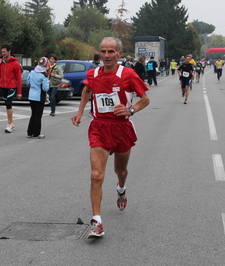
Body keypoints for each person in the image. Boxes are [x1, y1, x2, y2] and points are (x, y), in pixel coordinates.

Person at [71, 37, 150, 238]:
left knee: (120, 170)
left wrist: (130, 109)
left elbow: (145, 99)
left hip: (122, 128)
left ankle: (121, 188)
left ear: (119, 54)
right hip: (99, 127)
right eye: (103, 52)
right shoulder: (94, 73)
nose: (106, 56)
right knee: (96, 175)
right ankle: (96, 222)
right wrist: (80, 111)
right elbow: (87, 89)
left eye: (111, 52)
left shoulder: (128, 74)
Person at [0, 44, 22, 133]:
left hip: (12, 86)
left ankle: (9, 124)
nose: (3, 53)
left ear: (9, 51)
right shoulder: (1, 62)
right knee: (7, 104)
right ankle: (12, 123)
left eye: (4, 52)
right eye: (2, 52)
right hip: (3, 86)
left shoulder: (15, 64)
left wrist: (19, 92)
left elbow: (19, 78)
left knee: (9, 104)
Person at [27, 57, 50, 139]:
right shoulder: (43, 76)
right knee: (38, 115)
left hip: (31, 95)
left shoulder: (32, 73)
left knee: (33, 114)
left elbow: (28, 82)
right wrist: (47, 81)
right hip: (39, 97)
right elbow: (45, 88)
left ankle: (30, 132)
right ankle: (36, 133)